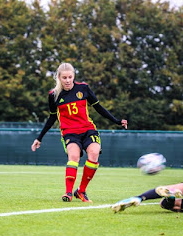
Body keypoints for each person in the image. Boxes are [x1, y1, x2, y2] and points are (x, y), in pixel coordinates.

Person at [31, 62, 128, 203]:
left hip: (87, 129)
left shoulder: (83, 88)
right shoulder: (54, 95)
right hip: (69, 132)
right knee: (74, 156)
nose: (68, 80)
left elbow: (99, 108)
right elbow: (52, 117)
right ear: (58, 77)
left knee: (94, 154)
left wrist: (117, 121)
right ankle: (68, 192)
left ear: (73, 76)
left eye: (70, 77)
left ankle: (81, 191)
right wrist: (39, 138)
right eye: (64, 77)